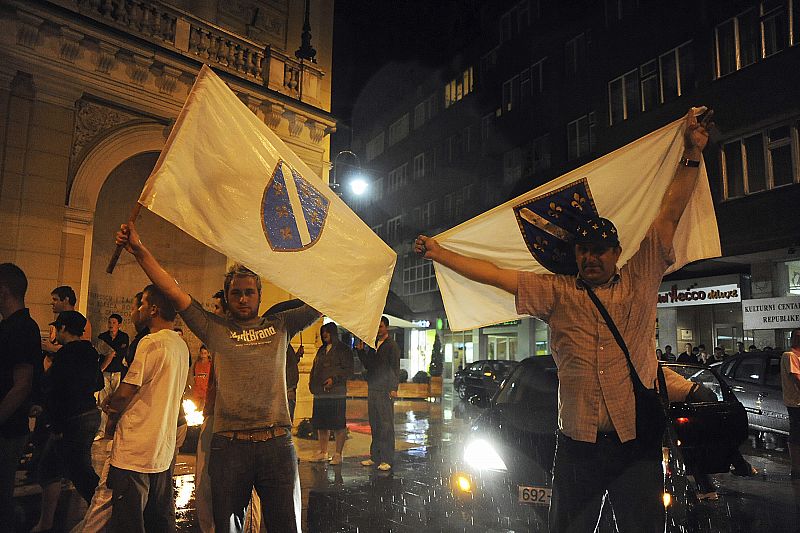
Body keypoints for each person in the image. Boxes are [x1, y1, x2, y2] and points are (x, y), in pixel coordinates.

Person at [414, 108, 713, 532]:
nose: (591, 257)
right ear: (575, 254)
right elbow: (495, 274)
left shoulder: (641, 279)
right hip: (577, 444)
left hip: (635, 444)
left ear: (616, 253)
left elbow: (669, 214)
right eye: (584, 250)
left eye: (600, 250)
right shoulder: (557, 293)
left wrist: (692, 153)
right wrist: (440, 253)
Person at [115, 221, 321, 533]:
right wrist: (139, 249)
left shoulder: (280, 324)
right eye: (235, 293)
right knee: (227, 527)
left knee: (285, 527)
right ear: (226, 297)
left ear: (259, 295)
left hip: (276, 445)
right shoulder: (215, 328)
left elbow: (324, 301)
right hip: (230, 447)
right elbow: (172, 290)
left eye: (249, 293)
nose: (243, 299)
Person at [101, 284, 189, 532]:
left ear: (153, 309)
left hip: (135, 451)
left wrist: (110, 405)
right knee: (158, 519)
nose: (137, 309)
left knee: (128, 521)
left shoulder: (151, 342)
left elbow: (125, 393)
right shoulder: (180, 345)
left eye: (141, 304)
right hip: (161, 450)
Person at [30, 311, 101, 532]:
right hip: (89, 414)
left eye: (56, 328)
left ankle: (105, 516)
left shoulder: (66, 355)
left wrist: (56, 426)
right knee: (53, 468)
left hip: (72, 419)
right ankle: (46, 522)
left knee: (79, 472)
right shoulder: (89, 352)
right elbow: (98, 382)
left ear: (63, 329)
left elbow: (56, 390)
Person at [0, 263, 38, 532]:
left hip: (8, 430)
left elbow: (22, 385)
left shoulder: (22, 328)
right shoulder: (11, 326)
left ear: (3, 291)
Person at [356, 316, 401, 472]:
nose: (378, 330)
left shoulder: (392, 346)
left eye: (381, 327)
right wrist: (360, 352)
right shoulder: (374, 345)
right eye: (377, 327)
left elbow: (395, 367)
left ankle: (387, 458)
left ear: (386, 327)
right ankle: (375, 456)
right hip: (373, 388)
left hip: (384, 390)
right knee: (374, 423)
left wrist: (393, 388)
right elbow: (369, 365)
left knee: (386, 424)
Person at [309, 322, 354, 465]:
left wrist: (334, 380)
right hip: (320, 394)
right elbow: (315, 368)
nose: (324, 334)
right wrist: (312, 384)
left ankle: (338, 454)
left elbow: (348, 370)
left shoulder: (343, 350)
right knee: (321, 424)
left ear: (333, 333)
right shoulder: (321, 350)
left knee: (338, 424)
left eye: (327, 332)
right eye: (323, 332)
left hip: (336, 394)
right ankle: (323, 452)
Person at [95, 313, 129, 439]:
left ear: (119, 325)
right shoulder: (102, 336)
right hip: (105, 372)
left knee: (117, 401)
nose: (111, 325)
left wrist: (110, 352)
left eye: (114, 323)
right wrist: (110, 353)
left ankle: (115, 431)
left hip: (117, 371)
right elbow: (102, 352)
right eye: (109, 322)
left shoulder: (123, 337)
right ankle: (101, 430)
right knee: (103, 400)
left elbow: (119, 352)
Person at [41, 286, 92, 357]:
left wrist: (52, 348)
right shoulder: (57, 322)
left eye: (55, 299)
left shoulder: (82, 322)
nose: (52, 303)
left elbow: (81, 350)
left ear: (66, 300)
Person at [781, 328, 800, 479]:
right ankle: (796, 468)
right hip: (796, 403)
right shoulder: (789, 356)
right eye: (797, 336)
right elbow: (797, 378)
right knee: (796, 434)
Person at [192, 345, 212, 409]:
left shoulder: (211, 365)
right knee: (194, 409)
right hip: (197, 391)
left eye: (205, 353)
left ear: (208, 354)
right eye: (202, 353)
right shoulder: (197, 363)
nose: (203, 355)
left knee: (205, 410)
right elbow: (194, 376)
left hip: (206, 392)